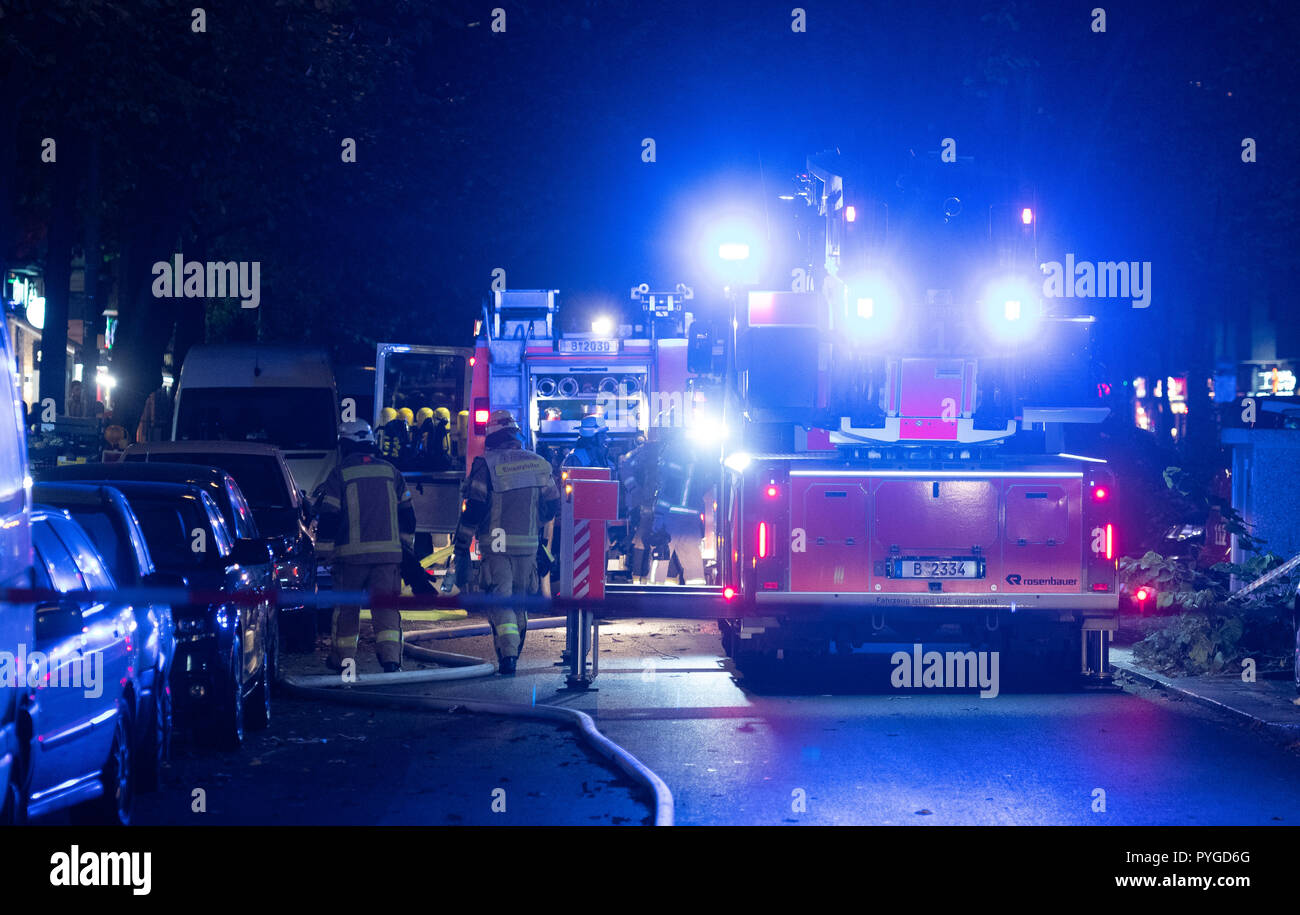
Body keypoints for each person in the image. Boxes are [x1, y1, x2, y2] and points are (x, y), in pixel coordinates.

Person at [454, 409, 559, 674]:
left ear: (492, 436)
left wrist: (462, 543)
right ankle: (513, 652)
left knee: (500, 602)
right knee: (520, 602)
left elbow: (475, 508)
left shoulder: (486, 465)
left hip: (497, 546)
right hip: (528, 547)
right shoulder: (539, 463)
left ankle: (508, 656)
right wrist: (534, 524)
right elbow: (552, 505)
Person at [315, 420, 416, 673]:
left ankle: (343, 661)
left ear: (346, 444)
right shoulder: (391, 471)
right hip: (388, 559)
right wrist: (403, 550)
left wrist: (323, 555)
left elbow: (329, 517)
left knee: (347, 610)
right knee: (386, 610)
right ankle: (391, 662)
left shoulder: (340, 473)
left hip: (351, 559)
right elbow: (408, 517)